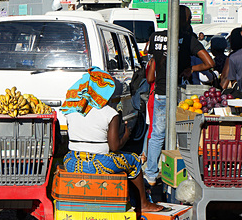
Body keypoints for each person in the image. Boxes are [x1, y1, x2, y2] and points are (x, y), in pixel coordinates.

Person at [61, 68, 165, 212]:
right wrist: (127, 134)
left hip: (72, 162)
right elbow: (115, 147)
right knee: (134, 161)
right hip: (99, 164)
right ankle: (143, 204)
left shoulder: (71, 109)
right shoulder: (110, 113)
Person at [144, 5, 213, 187]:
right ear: (184, 21)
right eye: (188, 19)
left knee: (157, 134)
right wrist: (191, 69)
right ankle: (180, 173)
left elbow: (153, 60)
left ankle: (151, 174)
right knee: (183, 134)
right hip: (179, 93)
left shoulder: (155, 36)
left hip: (160, 91)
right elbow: (209, 63)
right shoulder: (189, 40)